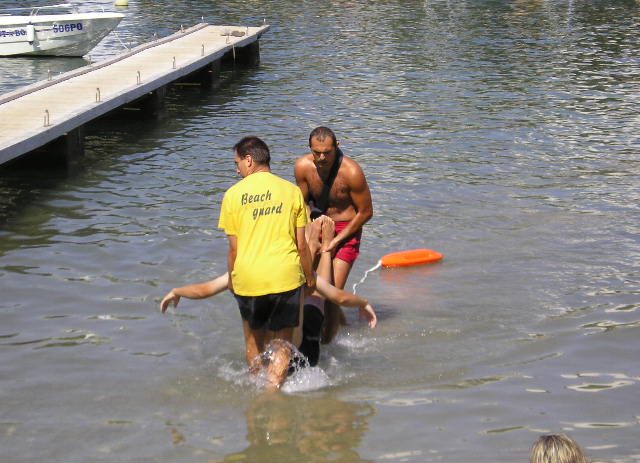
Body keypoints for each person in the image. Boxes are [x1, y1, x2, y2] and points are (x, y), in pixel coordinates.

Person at [161, 216, 377, 390]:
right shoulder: (283, 268)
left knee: (312, 291)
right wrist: (363, 303)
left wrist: (177, 291)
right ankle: (322, 247)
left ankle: (320, 246)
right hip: (303, 354)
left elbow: (206, 289)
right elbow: (337, 296)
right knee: (314, 291)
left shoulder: (248, 274)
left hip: (296, 353)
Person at [218, 136, 315, 370]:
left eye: (237, 163)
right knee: (283, 343)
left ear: (249, 160)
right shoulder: (291, 192)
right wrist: (310, 277)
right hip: (285, 276)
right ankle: (273, 391)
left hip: (250, 277)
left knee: (254, 339)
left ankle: (256, 388)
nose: (237, 169)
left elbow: (234, 249)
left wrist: (232, 279)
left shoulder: (232, 195)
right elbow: (302, 245)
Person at [294, 126, 373, 290]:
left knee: (332, 293)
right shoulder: (302, 167)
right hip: (317, 226)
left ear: (337, 145)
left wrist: (336, 240)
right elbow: (302, 205)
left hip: (346, 231)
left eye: (327, 152)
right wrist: (310, 232)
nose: (322, 158)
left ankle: (335, 313)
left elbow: (366, 212)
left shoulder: (351, 171)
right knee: (307, 287)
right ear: (310, 148)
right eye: (316, 152)